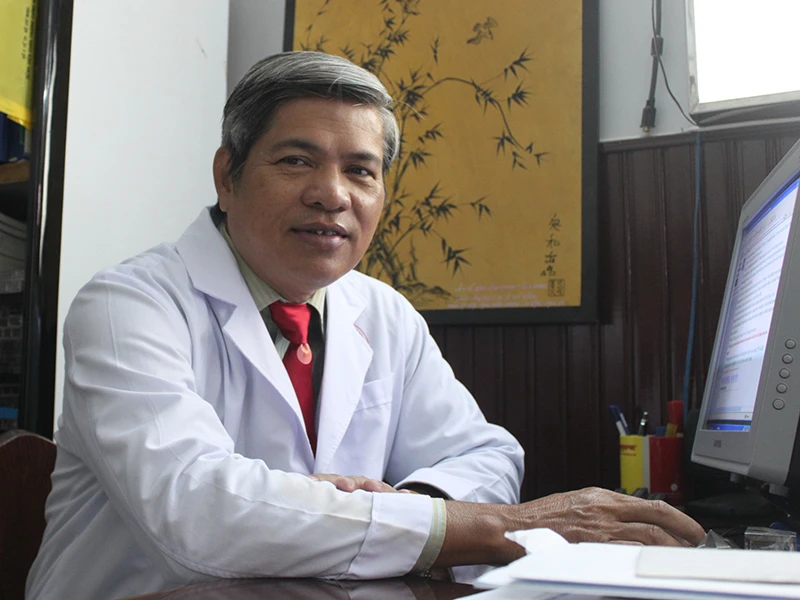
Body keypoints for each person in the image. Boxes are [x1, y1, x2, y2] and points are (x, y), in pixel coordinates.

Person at [26, 51, 704, 600]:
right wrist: (475, 527)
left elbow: (487, 455)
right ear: (228, 176)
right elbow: (198, 511)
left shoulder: (384, 313)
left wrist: (413, 504)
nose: (332, 194)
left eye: (360, 170)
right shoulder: (127, 304)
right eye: (297, 161)